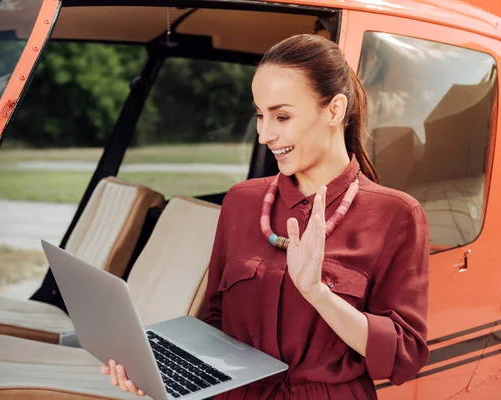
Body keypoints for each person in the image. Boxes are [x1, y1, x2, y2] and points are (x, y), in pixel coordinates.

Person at [100, 33, 430, 399]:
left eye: (282, 116)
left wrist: (318, 293)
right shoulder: (241, 201)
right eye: (260, 114)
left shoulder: (397, 215)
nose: (264, 134)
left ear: (334, 111)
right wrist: (160, 373)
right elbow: (216, 322)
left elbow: (405, 357)